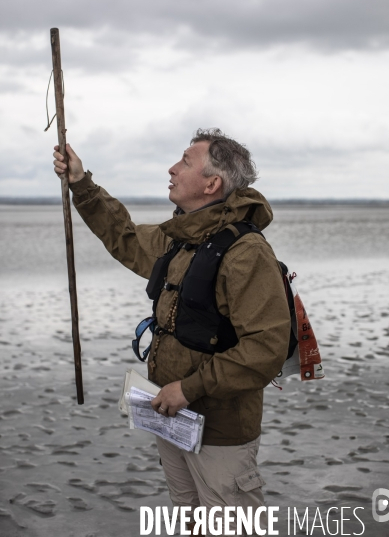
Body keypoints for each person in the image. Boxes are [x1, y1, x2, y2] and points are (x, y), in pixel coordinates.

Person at [53, 128, 291, 535]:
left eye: (184, 161)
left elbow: (266, 349)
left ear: (212, 183)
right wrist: (81, 183)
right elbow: (125, 237)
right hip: (173, 417)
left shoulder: (246, 252)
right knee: (187, 519)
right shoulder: (182, 238)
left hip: (219, 430)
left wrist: (189, 387)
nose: (172, 168)